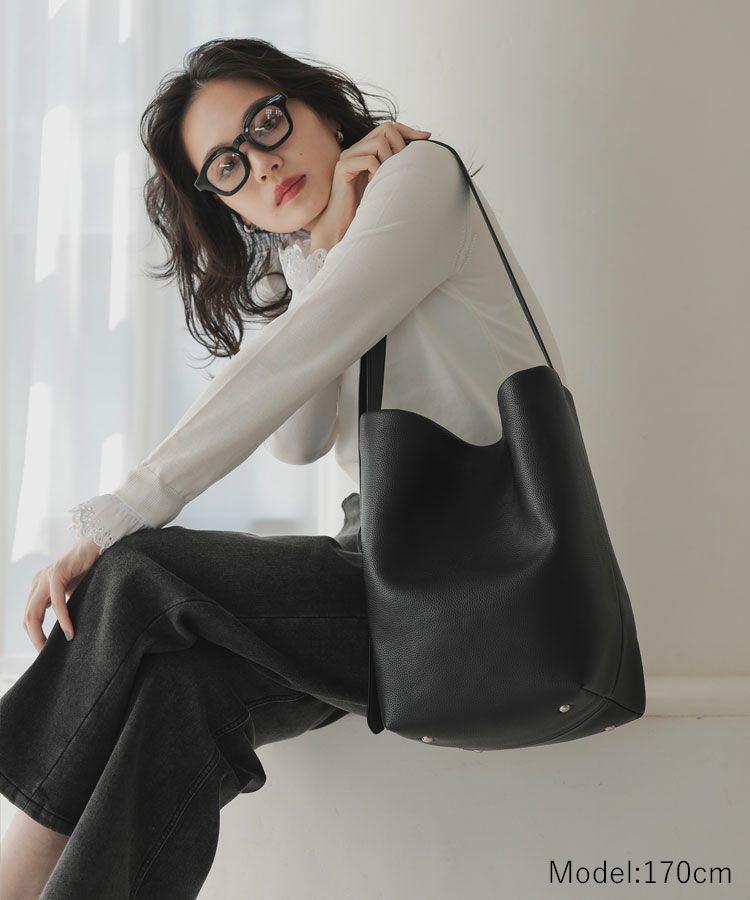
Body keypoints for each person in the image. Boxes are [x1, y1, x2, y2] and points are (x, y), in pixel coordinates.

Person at [0, 36, 568, 899]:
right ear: (224, 202)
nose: (262, 164)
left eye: (267, 123)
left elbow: (290, 365)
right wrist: (323, 246)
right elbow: (298, 439)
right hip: (386, 578)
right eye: (228, 167)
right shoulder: (330, 255)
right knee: (182, 697)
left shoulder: (420, 178)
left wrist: (114, 517)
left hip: (487, 580)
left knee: (133, 570)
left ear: (318, 107)